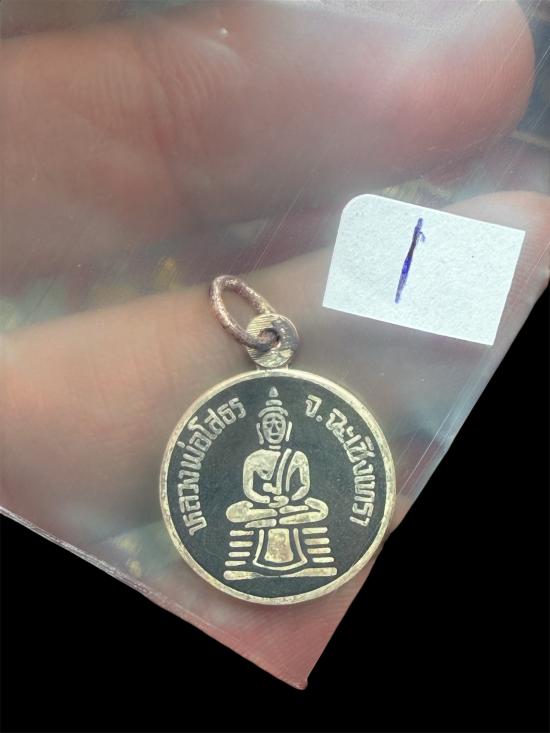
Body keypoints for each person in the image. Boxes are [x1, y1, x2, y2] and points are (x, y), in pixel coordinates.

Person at [224, 387, 335, 579]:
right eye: (269, 424)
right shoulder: (254, 458)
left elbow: (304, 487)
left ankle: (300, 556)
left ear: (287, 428)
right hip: (265, 508)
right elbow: (249, 490)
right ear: (260, 429)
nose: (274, 429)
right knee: (233, 512)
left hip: (289, 507)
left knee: (320, 509)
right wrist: (266, 500)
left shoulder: (298, 457)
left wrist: (288, 499)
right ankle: (258, 557)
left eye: (279, 424)